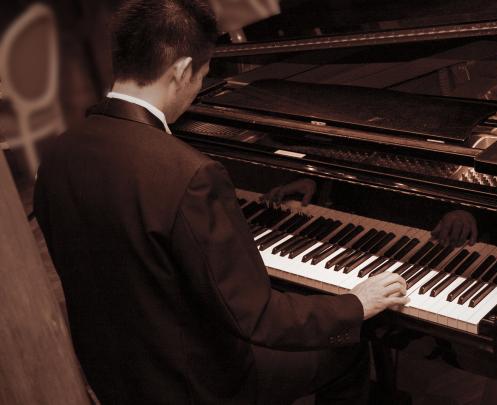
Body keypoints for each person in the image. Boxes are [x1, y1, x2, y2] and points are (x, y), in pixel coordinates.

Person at [34, 1, 411, 404]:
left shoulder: (58, 153)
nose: (198, 89)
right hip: (196, 385)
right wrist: (354, 305)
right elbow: (259, 319)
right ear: (181, 71)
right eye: (203, 75)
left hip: (114, 373)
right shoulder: (189, 173)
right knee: (348, 349)